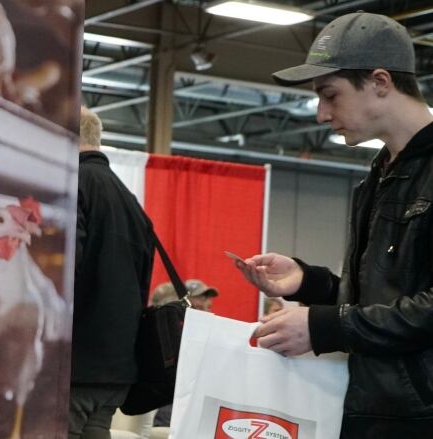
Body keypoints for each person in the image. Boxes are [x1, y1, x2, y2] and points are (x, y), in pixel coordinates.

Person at [234, 12, 433, 437]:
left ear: (380, 82)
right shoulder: (377, 177)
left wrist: (324, 326)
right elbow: (385, 295)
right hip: (366, 412)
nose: (322, 114)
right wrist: (309, 282)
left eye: (330, 95)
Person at [69, 106, 155, 439]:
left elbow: (67, 273)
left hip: (76, 364)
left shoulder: (75, 184)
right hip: (118, 370)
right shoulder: (130, 200)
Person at [152, 279, 219, 428]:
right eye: (197, 305)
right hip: (170, 401)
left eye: (206, 306)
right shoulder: (169, 331)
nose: (205, 309)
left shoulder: (210, 335)